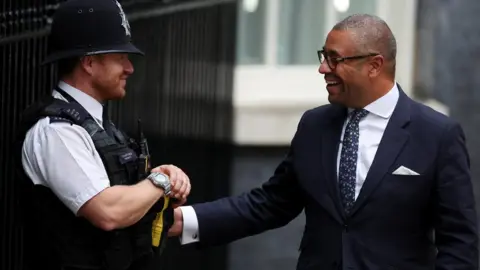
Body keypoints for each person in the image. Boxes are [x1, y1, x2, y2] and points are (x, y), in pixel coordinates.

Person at [169, 14, 479, 269]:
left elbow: (460, 245)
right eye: (323, 57)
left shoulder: (437, 134)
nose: (323, 69)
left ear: (374, 65)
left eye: (335, 60)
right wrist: (184, 219)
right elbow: (270, 203)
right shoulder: (315, 125)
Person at [15, 1, 191, 270]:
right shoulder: (57, 132)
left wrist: (157, 189)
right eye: (120, 57)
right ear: (89, 62)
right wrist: (159, 181)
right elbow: (108, 212)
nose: (129, 68)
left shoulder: (96, 124)